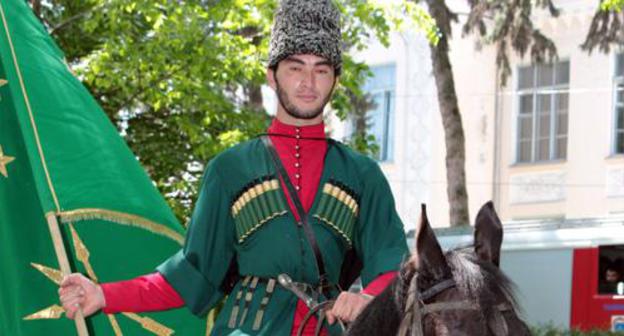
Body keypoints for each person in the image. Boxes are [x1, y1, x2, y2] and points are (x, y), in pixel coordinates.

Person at [58, 0, 409, 335]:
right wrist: (104, 294)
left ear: (335, 79)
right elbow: (191, 274)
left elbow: (394, 266)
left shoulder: (362, 175)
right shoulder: (230, 169)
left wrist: (367, 299)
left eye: (321, 70)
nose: (308, 82)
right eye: (295, 68)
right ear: (272, 76)